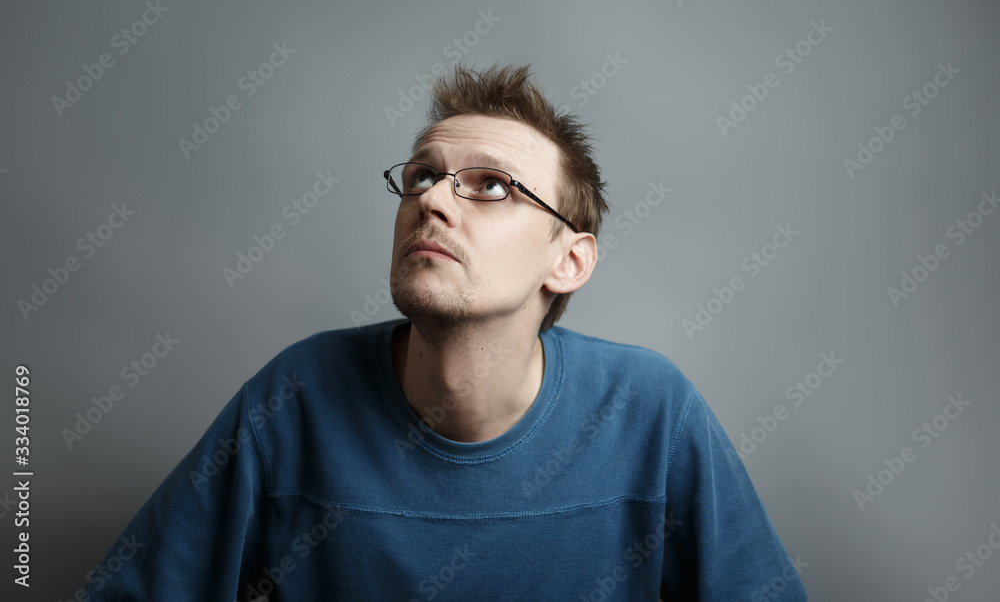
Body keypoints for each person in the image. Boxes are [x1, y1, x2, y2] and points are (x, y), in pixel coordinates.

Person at [79, 64, 807, 600]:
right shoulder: (296, 397)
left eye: (492, 185)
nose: (432, 201)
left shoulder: (652, 412)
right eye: (423, 176)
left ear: (569, 260)